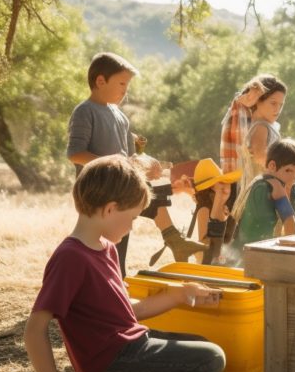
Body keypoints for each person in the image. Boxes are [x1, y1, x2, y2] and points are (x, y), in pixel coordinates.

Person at [17, 156, 226, 372]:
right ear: (110, 209)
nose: (131, 226)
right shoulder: (70, 257)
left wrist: (180, 294)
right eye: (131, 218)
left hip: (130, 344)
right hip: (112, 357)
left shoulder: (106, 249)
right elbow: (34, 330)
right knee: (211, 358)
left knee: (201, 345)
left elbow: (129, 311)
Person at [67, 53, 205, 275]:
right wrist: (116, 163)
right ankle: (102, 284)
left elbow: (130, 157)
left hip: (121, 188)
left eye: (127, 85)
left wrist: (147, 164)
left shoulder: (120, 117)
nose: (125, 90)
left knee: (123, 239)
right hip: (98, 192)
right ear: (100, 81)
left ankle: (167, 244)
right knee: (99, 248)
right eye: (122, 83)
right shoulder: (85, 111)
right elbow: (75, 153)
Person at [239, 138, 295, 244]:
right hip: (254, 251)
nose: (292, 179)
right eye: (288, 170)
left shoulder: (292, 189)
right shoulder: (264, 187)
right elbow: (287, 225)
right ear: (272, 165)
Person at [189, 159, 242, 265]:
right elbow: (205, 244)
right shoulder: (204, 210)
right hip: (213, 266)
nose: (226, 186)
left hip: (225, 262)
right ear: (211, 190)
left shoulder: (225, 207)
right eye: (221, 183)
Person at [220, 77, 265, 198]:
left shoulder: (238, 107)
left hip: (233, 172)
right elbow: (241, 142)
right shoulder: (241, 110)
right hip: (238, 174)